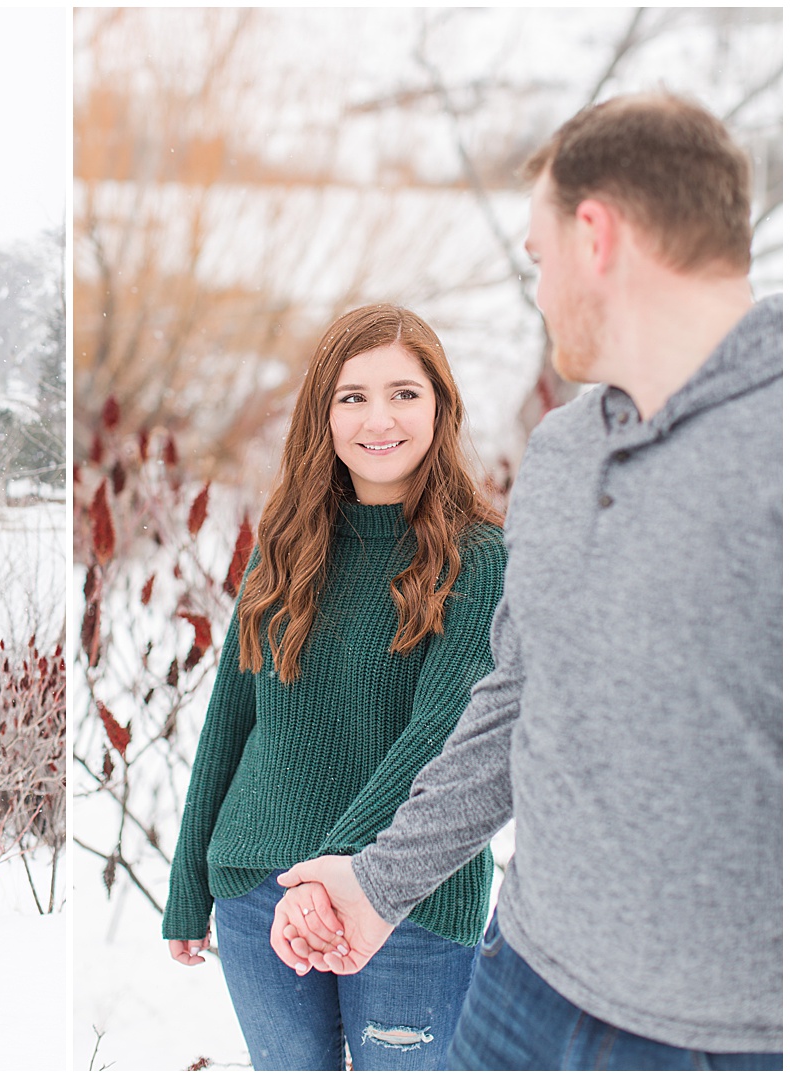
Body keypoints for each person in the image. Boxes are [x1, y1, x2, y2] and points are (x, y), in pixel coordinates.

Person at [273, 93, 782, 1070]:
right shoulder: (561, 451)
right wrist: (379, 886)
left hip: (731, 1041)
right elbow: (515, 696)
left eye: (537, 259)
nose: (539, 292)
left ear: (595, 236)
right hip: (523, 983)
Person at [163, 303, 508, 1069]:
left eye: (404, 393)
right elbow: (232, 720)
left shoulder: (480, 561)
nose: (377, 418)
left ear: (441, 407)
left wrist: (341, 882)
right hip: (259, 885)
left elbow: (443, 740)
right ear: (323, 413)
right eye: (352, 396)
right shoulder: (285, 547)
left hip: (410, 898)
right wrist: (189, 879)